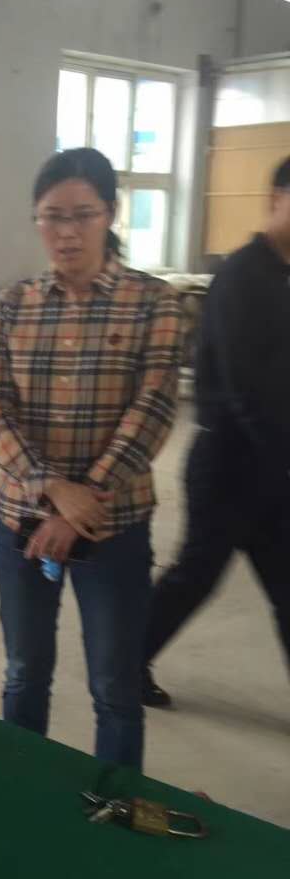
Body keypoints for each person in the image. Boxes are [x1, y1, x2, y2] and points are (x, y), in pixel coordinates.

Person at [0, 147, 182, 769]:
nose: (66, 232)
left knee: (115, 688)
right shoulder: (10, 306)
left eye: (83, 215)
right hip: (22, 520)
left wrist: (79, 505)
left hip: (114, 525)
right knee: (24, 672)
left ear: (111, 214)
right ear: (36, 219)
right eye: (52, 216)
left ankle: (111, 808)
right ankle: (22, 794)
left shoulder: (155, 303)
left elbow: (152, 411)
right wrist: (51, 490)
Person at [144, 157, 290, 707]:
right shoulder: (242, 277)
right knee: (196, 574)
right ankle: (126, 660)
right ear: (276, 198)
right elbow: (245, 388)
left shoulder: (282, 275)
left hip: (271, 467)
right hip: (228, 464)